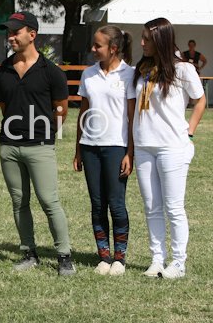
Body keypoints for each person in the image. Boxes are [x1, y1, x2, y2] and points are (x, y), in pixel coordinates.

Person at [0, 11, 76, 276]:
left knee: (49, 201)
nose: (11, 37)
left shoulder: (52, 72)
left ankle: (64, 256)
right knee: (19, 201)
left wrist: (46, 134)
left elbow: (61, 109)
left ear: (32, 34)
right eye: (9, 32)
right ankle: (29, 253)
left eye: (15, 32)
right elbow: (5, 107)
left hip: (40, 146)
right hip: (9, 146)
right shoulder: (2, 71)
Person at [133, 18, 205, 279]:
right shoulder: (142, 68)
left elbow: (200, 100)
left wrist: (190, 131)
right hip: (143, 146)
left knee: (173, 207)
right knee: (151, 207)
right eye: (142, 37)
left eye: (147, 38)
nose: (142, 42)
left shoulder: (183, 69)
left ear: (161, 40)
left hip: (172, 147)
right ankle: (157, 259)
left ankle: (179, 262)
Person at [73, 26, 135, 276]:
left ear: (113, 48)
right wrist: (78, 149)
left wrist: (130, 153)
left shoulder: (130, 75)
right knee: (97, 205)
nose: (93, 49)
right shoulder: (88, 74)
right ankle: (104, 257)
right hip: (90, 148)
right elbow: (83, 113)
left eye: (98, 45)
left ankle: (119, 259)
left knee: (116, 204)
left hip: (116, 147)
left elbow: (132, 119)